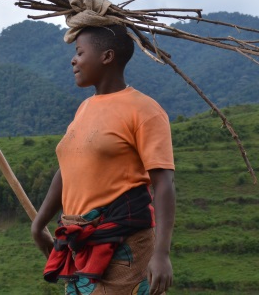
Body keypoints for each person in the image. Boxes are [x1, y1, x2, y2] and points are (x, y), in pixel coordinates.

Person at [31, 24, 176, 295]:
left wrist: (162, 254)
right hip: (79, 247)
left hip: (124, 248)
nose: (73, 60)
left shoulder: (145, 110)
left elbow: (164, 183)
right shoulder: (84, 108)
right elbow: (68, 168)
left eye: (80, 52)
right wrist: (39, 224)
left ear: (107, 57)